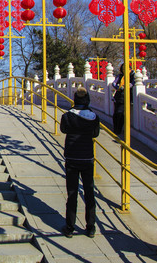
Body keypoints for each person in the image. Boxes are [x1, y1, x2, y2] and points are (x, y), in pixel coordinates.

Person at [60, 87, 100, 239]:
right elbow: (95, 133)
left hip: (71, 157)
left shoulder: (67, 116)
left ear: (75, 99)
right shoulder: (93, 117)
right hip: (87, 158)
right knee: (89, 193)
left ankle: (70, 227)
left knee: (72, 193)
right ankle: (90, 227)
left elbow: (63, 130)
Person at [112, 64, 135, 135]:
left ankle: (118, 129)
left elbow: (133, 83)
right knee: (115, 114)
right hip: (118, 96)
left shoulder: (132, 75)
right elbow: (114, 83)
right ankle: (115, 128)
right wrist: (118, 86)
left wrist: (126, 86)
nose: (124, 70)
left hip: (126, 96)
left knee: (120, 113)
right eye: (123, 69)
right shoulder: (120, 76)